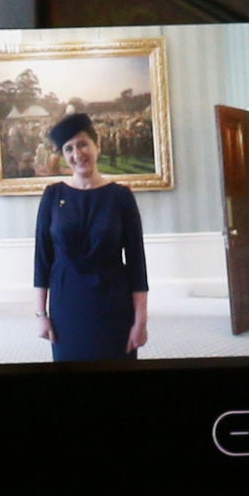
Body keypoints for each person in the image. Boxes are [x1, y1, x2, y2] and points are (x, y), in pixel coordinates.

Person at [32, 110, 149, 363]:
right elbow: (42, 259)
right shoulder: (52, 196)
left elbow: (137, 264)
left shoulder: (121, 196)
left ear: (97, 146)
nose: (78, 154)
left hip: (113, 301)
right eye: (69, 149)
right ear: (63, 155)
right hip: (67, 302)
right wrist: (41, 314)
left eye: (83, 144)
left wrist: (140, 321)